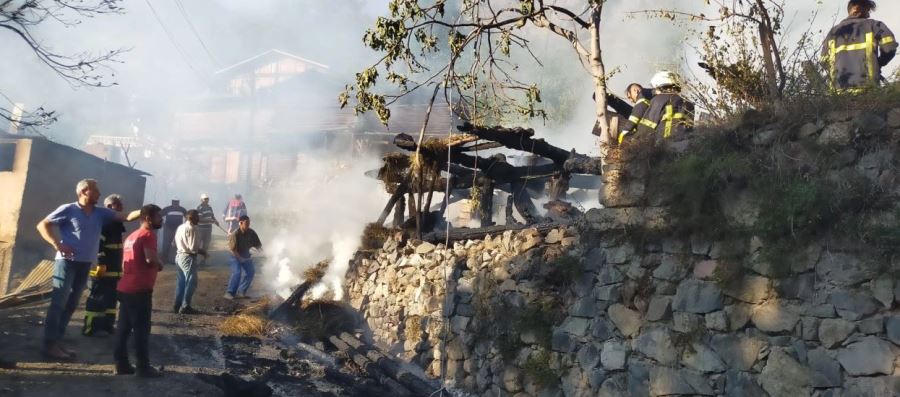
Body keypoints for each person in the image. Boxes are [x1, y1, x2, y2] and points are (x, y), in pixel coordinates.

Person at [36, 179, 140, 360]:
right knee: (58, 303)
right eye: (96, 190)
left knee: (71, 304)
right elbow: (42, 225)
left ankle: (57, 342)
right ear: (84, 191)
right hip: (67, 262)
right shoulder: (68, 209)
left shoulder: (100, 212)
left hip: (84, 264)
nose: (99, 194)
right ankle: (49, 344)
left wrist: (145, 211)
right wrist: (57, 244)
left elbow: (126, 216)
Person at [114, 204, 164, 377]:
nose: (161, 219)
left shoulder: (131, 236)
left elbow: (123, 263)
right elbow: (150, 259)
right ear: (148, 218)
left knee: (123, 328)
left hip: (125, 287)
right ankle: (143, 367)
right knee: (142, 330)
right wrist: (160, 264)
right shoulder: (148, 234)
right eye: (159, 217)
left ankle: (121, 365)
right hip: (139, 290)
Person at [822, 0, 896, 93]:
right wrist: (879, 63)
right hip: (868, 90)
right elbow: (890, 46)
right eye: (867, 10)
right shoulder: (873, 25)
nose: (868, 15)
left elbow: (824, 61)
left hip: (838, 95)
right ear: (856, 8)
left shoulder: (832, 33)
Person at [82, 194, 128, 337]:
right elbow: (97, 244)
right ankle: (90, 328)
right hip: (100, 269)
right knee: (97, 297)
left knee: (111, 299)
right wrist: (100, 263)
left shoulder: (116, 224)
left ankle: (107, 326)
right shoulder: (103, 223)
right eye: (118, 205)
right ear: (109, 207)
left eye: (121, 205)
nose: (121, 207)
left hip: (114, 270)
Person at [629, 71, 695, 140]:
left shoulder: (658, 100)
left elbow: (646, 129)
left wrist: (632, 140)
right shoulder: (688, 103)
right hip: (685, 145)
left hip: (665, 144)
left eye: (656, 87)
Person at [173, 210, 206, 314]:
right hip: (188, 257)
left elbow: (174, 243)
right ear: (191, 218)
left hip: (179, 256)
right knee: (191, 282)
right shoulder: (192, 229)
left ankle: (177, 305)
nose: (199, 219)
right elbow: (193, 248)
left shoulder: (180, 227)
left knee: (181, 282)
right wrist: (203, 251)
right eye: (197, 217)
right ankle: (185, 306)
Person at [224, 215, 262, 300]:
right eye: (246, 223)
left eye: (249, 223)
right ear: (240, 223)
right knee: (237, 272)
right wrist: (240, 259)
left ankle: (241, 291)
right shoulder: (235, 234)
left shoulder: (251, 232)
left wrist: (262, 253)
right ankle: (229, 292)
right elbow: (233, 250)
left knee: (250, 272)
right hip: (235, 256)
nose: (248, 225)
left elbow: (258, 245)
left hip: (246, 256)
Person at [160, 199, 187, 264]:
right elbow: (160, 216)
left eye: (177, 202)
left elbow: (188, 217)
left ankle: (175, 260)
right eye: (174, 202)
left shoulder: (182, 209)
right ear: (172, 202)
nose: (176, 203)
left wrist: (184, 225)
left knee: (177, 244)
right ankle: (164, 260)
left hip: (178, 230)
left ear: (179, 202)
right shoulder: (167, 209)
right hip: (168, 229)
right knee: (166, 244)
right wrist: (163, 225)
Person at [196, 193, 219, 265]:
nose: (206, 200)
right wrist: (210, 221)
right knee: (197, 245)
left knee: (206, 245)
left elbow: (212, 216)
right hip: (201, 229)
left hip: (208, 228)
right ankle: (194, 261)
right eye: (205, 199)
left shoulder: (209, 207)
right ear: (201, 200)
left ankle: (203, 261)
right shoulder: (199, 208)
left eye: (207, 199)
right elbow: (199, 219)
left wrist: (216, 221)